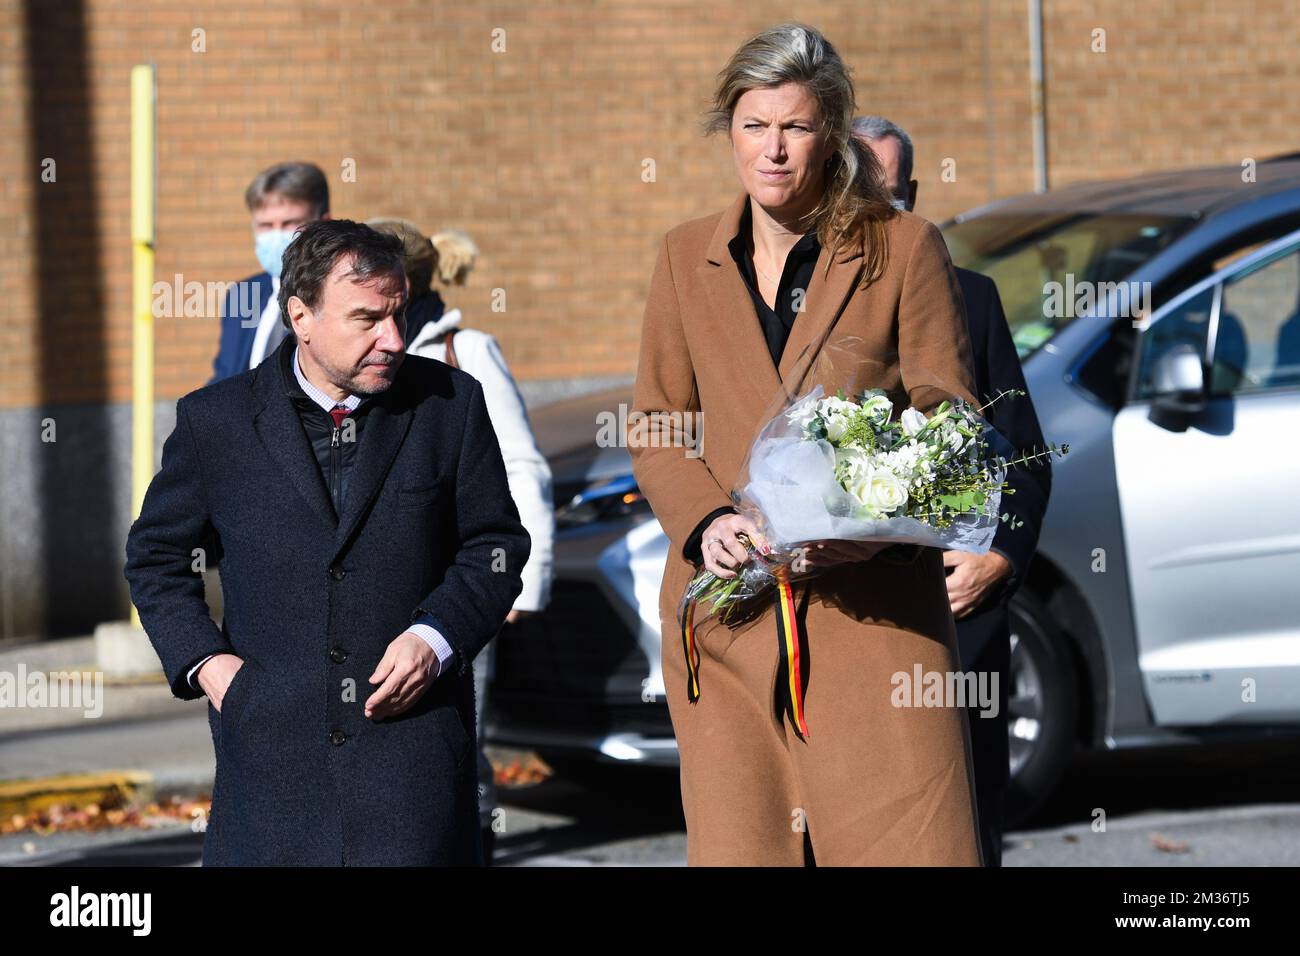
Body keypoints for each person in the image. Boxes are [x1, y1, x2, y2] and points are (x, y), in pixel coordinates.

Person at [628, 22, 985, 865]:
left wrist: (862, 520)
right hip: (729, 622)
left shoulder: (902, 247)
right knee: (746, 848)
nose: (774, 151)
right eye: (755, 127)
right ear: (731, 132)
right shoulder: (684, 257)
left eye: (796, 127)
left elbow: (952, 421)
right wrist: (706, 519)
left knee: (904, 848)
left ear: (832, 135)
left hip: (873, 622)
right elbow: (657, 423)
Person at [125, 219, 530, 865]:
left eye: (398, 315)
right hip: (272, 769)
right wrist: (207, 663)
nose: (392, 339)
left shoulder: (450, 405)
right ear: (300, 316)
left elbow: (495, 546)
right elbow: (155, 558)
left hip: (411, 767)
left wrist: (437, 638)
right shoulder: (217, 422)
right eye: (366, 318)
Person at [855, 115, 1053, 867]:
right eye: (860, 188)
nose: (879, 206)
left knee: (965, 826)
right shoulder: (805, 305)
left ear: (912, 192)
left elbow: (1027, 454)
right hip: (853, 614)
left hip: (958, 617)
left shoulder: (972, 299)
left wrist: (1001, 557)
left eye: (891, 191)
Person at [367, 217, 555, 865]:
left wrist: (524, 581)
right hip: (383, 586)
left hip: (458, 586)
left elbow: (523, 467)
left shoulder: (464, 352)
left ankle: (470, 848)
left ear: (407, 284)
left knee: (455, 735)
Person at [209, 161, 330, 384]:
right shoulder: (242, 294)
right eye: (265, 225)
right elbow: (223, 380)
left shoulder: (341, 295)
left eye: (289, 223)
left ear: (324, 223)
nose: (276, 235)